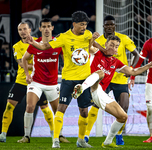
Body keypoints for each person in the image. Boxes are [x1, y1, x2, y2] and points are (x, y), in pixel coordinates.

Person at [24, 11, 109, 148]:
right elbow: (44, 46)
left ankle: (81, 140)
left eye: (86, 25)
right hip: (69, 79)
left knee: (84, 111)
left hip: (84, 80)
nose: (84, 27)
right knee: (61, 109)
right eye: (81, 25)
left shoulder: (87, 34)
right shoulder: (63, 37)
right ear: (74, 24)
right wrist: (33, 42)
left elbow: (90, 50)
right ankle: (55, 140)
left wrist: (93, 41)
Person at [72, 35, 152, 148]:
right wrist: (93, 38)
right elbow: (89, 46)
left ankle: (107, 142)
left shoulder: (116, 62)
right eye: (111, 45)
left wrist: (148, 66)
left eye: (116, 46)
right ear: (106, 44)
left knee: (123, 117)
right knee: (100, 73)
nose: (113, 48)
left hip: (99, 93)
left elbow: (133, 72)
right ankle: (81, 88)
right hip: (88, 87)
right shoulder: (97, 53)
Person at [84, 15, 139, 145]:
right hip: (103, 79)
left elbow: (136, 54)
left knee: (124, 107)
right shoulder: (99, 40)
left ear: (115, 26)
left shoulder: (123, 39)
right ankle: (86, 135)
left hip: (120, 79)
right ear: (103, 26)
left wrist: (131, 69)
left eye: (111, 24)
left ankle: (119, 135)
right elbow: (89, 48)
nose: (109, 27)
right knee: (95, 106)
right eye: (107, 25)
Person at [0, 22, 54, 143]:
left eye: (25, 29)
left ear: (30, 30)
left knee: (45, 108)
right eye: (20, 30)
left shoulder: (39, 43)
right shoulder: (16, 46)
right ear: (18, 32)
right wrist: (37, 63)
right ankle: (3, 134)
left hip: (37, 82)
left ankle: (54, 134)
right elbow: (21, 63)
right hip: (21, 81)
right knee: (9, 106)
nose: (22, 31)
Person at [17, 19, 68, 143]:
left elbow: (65, 58)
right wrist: (27, 75)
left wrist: (65, 68)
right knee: (30, 106)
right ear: (40, 29)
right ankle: (26, 136)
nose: (46, 29)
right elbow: (24, 59)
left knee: (58, 110)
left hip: (52, 83)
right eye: (43, 26)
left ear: (52, 28)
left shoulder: (57, 43)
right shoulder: (35, 43)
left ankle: (60, 135)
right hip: (36, 82)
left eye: (48, 26)